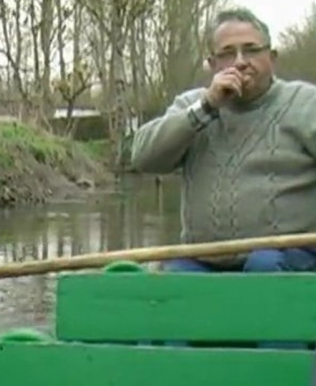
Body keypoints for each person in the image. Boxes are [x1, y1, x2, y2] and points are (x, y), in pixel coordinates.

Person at [131, 6, 316, 274]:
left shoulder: (306, 103)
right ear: (213, 64)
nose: (240, 61)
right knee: (176, 276)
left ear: (272, 57)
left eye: (251, 50)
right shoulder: (191, 105)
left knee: (263, 265)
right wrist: (206, 108)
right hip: (203, 256)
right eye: (227, 54)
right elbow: (143, 158)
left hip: (289, 255)